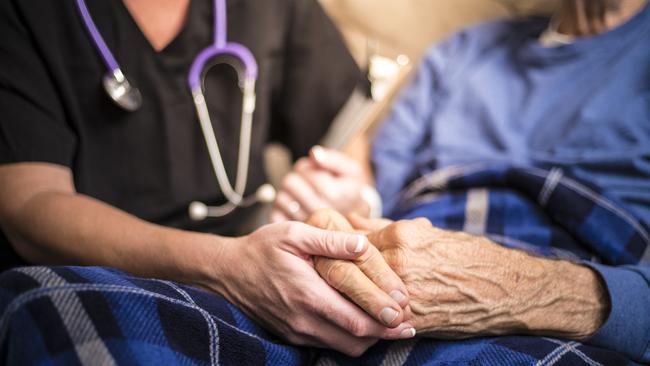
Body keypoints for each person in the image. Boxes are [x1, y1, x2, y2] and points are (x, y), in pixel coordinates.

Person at [0, 0, 418, 357]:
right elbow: (29, 204)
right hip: (94, 280)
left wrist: (350, 196)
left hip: (265, 271)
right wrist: (226, 267)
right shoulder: (24, 14)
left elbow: (344, 140)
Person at [274, 0, 650, 363]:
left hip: (582, 273)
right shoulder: (461, 51)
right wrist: (351, 204)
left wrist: (521, 289)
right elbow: (380, 196)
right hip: (412, 263)